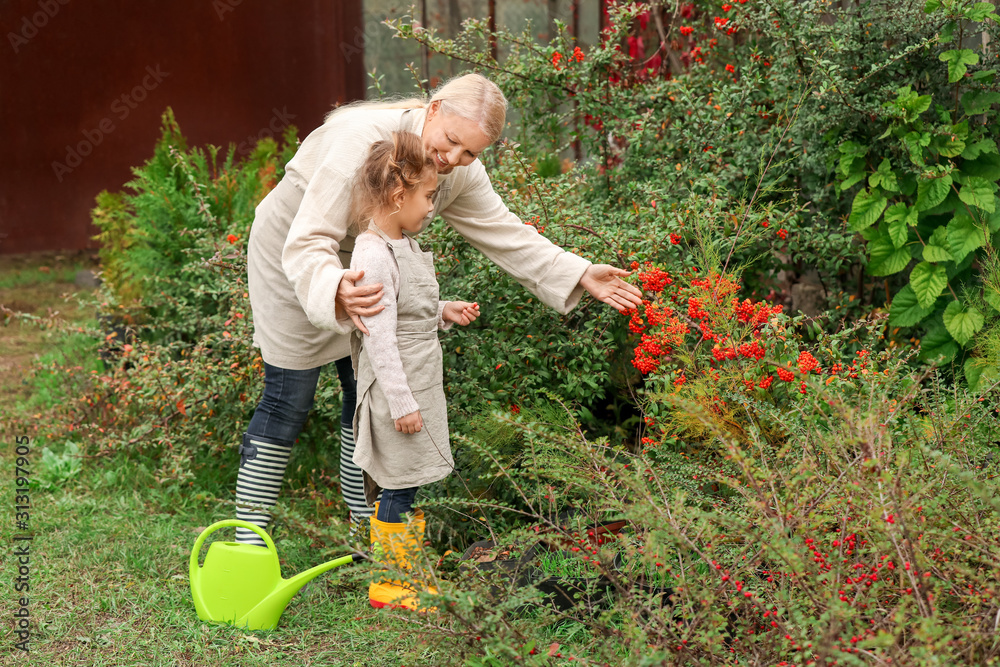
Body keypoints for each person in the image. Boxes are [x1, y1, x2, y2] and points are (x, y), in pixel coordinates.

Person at [235, 72, 642, 548]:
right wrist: (332, 287)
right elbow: (309, 240)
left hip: (370, 265)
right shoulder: (357, 142)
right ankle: (248, 537)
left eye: (470, 152)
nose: (454, 160)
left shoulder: (459, 169)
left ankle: (363, 533)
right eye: (450, 142)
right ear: (433, 110)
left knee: (362, 391)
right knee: (290, 396)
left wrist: (577, 271)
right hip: (295, 254)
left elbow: (502, 231)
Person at [348, 130, 478, 609]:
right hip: (399, 384)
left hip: (419, 375)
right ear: (398, 194)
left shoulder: (398, 244)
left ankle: (404, 569)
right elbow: (379, 336)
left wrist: (442, 310)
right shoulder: (374, 253)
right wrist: (401, 403)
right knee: (399, 481)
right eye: (426, 196)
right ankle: (390, 581)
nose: (430, 207)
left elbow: (404, 310)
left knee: (409, 478)